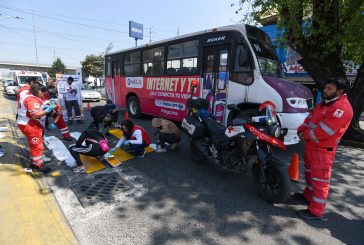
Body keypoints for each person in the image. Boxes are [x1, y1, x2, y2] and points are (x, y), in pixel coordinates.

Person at [295, 78, 353, 220]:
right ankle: (308, 196)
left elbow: (325, 131)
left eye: (329, 89)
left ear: (340, 92)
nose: (325, 91)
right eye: (326, 87)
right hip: (312, 147)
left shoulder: (342, 108)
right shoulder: (325, 103)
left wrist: (306, 135)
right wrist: (301, 129)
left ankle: (316, 211)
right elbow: (310, 118)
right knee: (309, 175)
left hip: (322, 150)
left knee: (320, 181)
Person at [17, 83, 54, 173]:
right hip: (30, 125)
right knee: (37, 146)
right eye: (44, 94)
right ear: (38, 91)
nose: (44, 96)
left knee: (34, 145)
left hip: (25, 123)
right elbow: (35, 115)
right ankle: (38, 166)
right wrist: (47, 110)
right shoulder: (32, 99)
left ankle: (33, 161)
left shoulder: (27, 95)